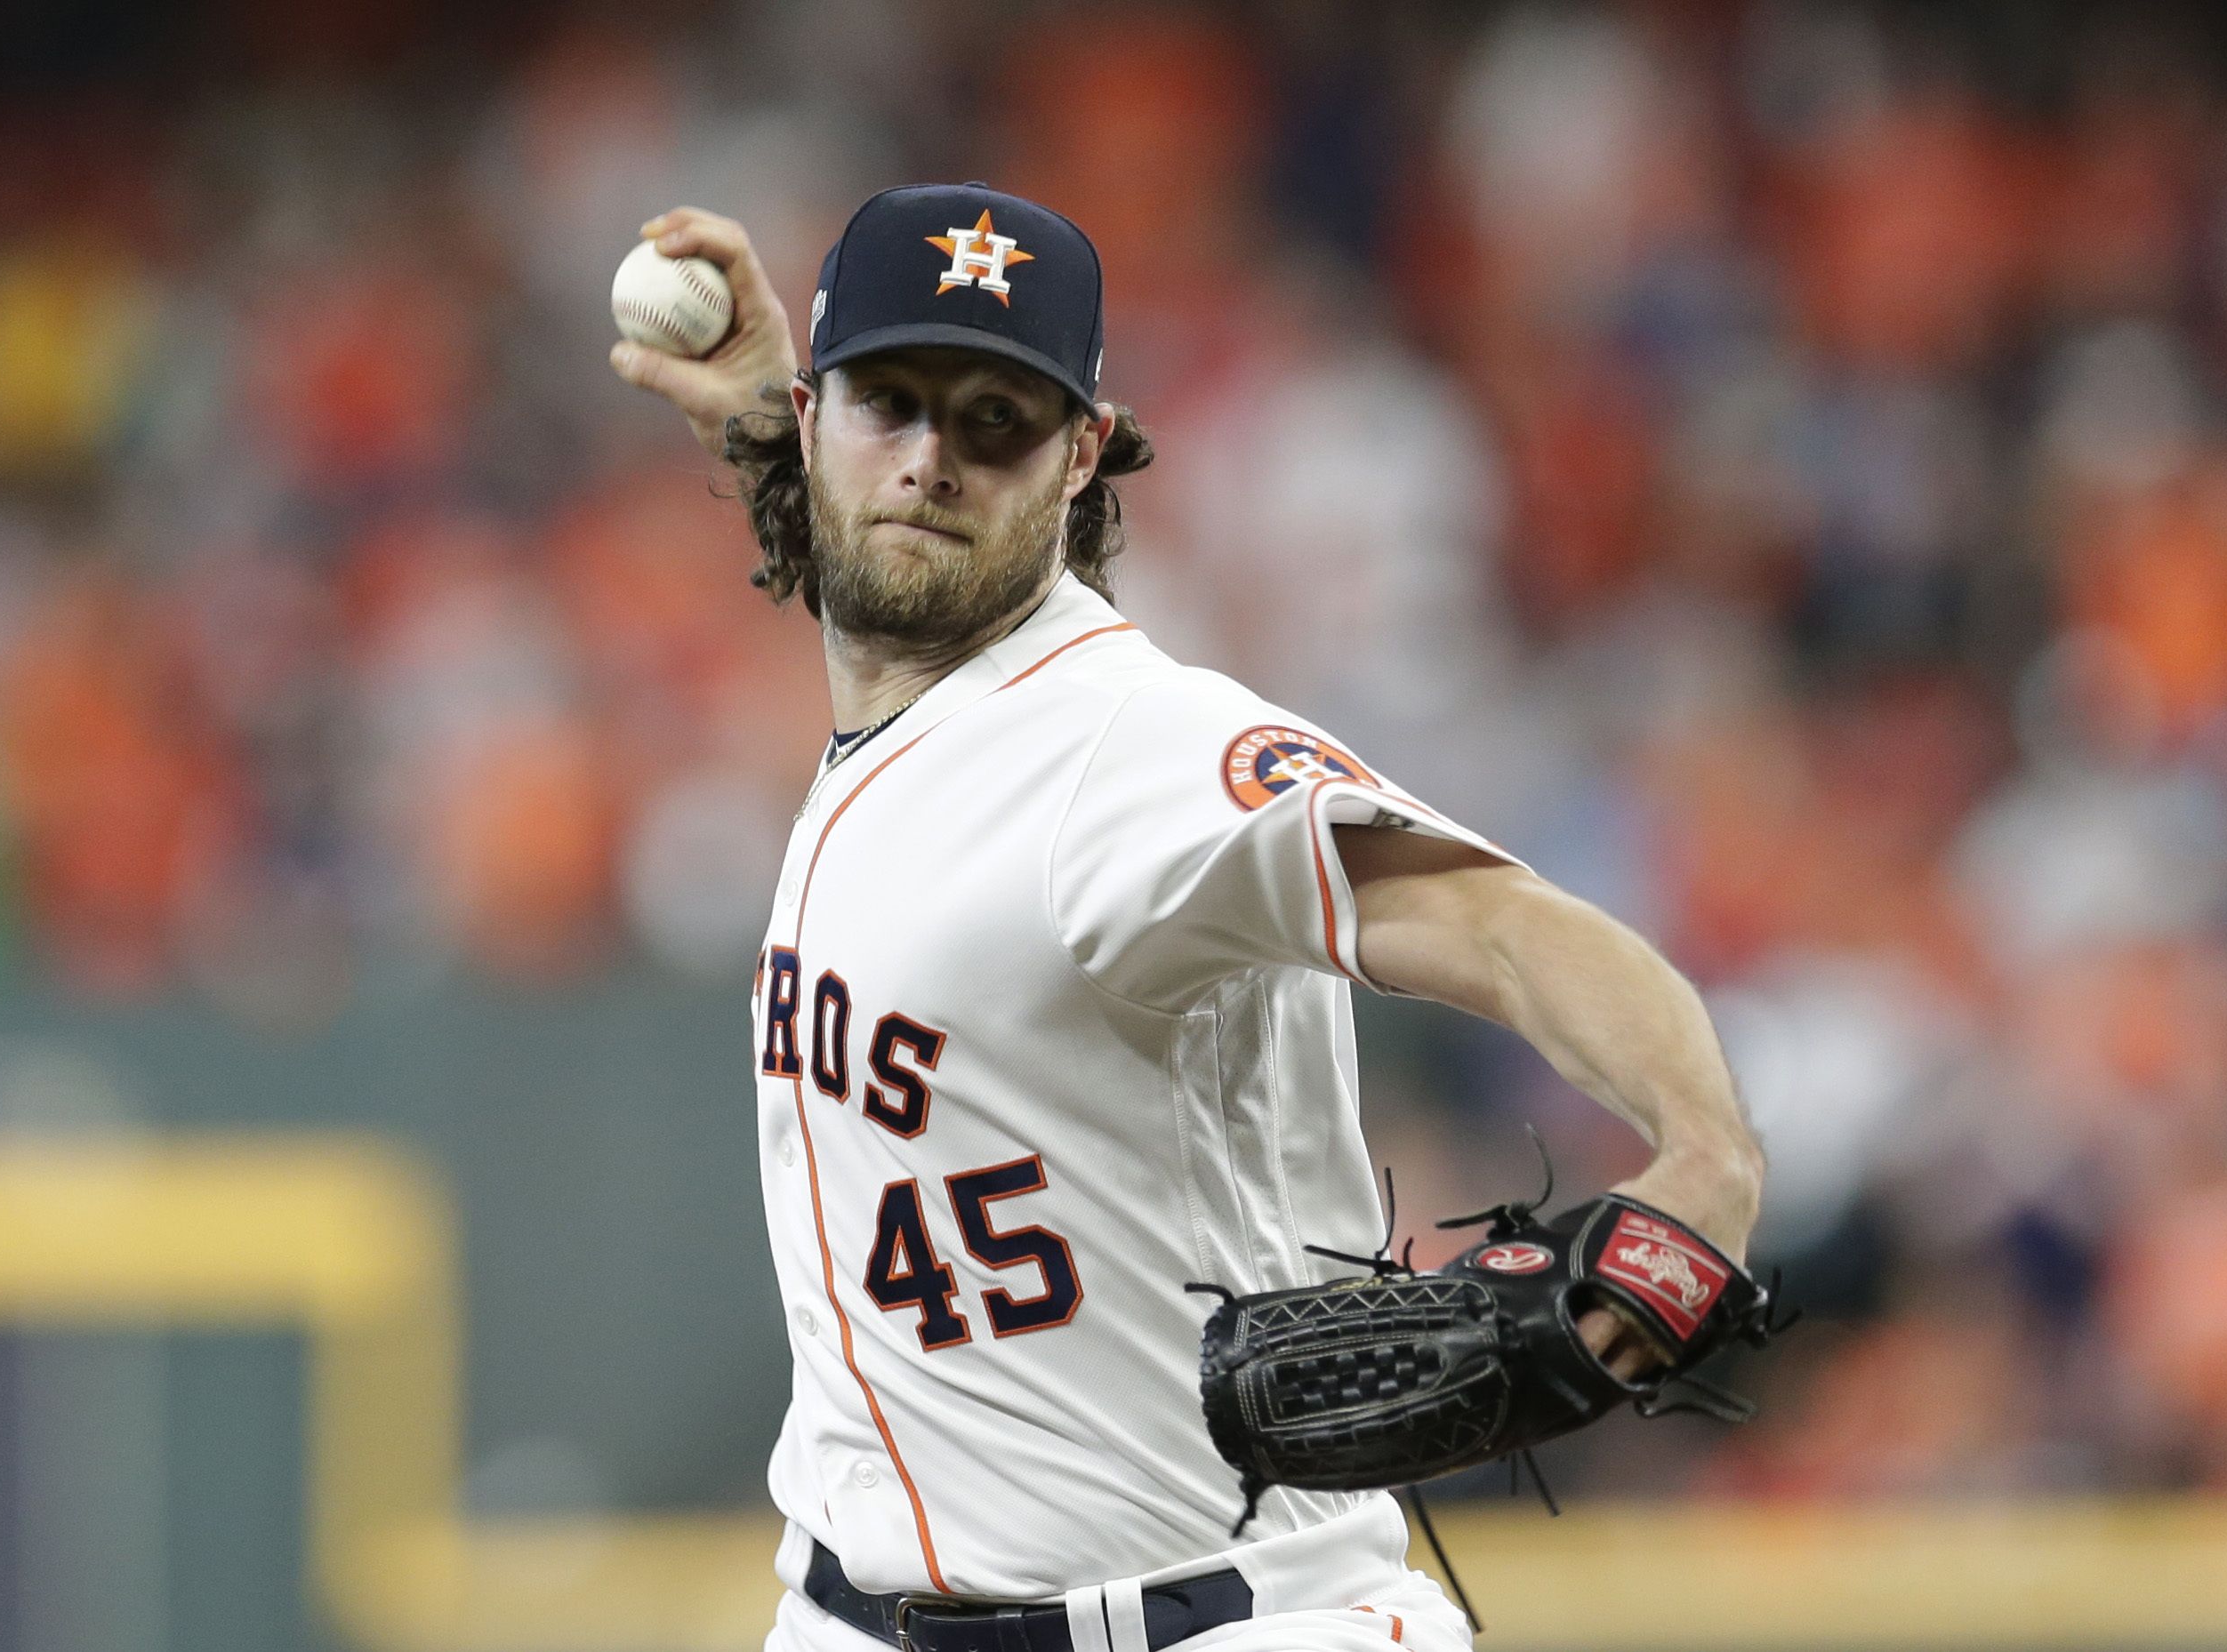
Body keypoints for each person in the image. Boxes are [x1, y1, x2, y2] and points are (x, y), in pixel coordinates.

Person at [610, 182, 1765, 1652]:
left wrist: (1708, 1151)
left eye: (994, 423)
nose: (927, 460)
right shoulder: (916, 687)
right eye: (886, 401)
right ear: (814, 408)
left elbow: (1493, 924)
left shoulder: (1131, 749)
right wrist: (770, 438)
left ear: (1083, 452)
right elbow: (881, 563)